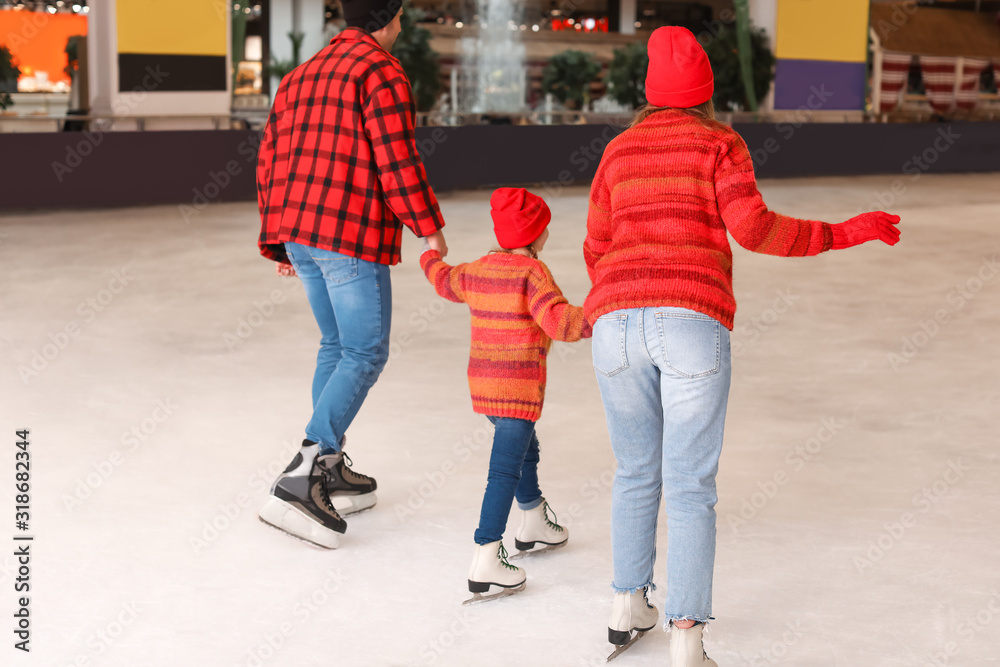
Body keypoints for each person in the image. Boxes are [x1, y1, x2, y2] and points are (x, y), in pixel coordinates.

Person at [584, 27, 901, 665]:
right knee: (691, 484)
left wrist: (627, 294)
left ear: (649, 92)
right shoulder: (719, 142)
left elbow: (596, 244)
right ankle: (687, 638)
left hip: (613, 324)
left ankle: (626, 605)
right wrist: (843, 233)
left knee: (634, 473)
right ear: (704, 91)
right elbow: (754, 230)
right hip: (691, 321)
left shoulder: (617, 151)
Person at [255, 0, 448, 549]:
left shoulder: (299, 76)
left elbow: (270, 160)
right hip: (346, 230)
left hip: (300, 230)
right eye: (403, 17)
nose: (403, 26)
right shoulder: (379, 71)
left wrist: (281, 240)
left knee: (336, 345)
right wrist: (428, 227)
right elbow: (397, 157)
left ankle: (331, 467)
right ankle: (305, 472)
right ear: (389, 18)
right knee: (365, 351)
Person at [419, 188, 592, 603]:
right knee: (503, 472)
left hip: (484, 386)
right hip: (517, 389)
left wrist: (429, 253)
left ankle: (532, 520)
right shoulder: (532, 274)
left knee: (524, 450)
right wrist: (604, 313)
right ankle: (486, 557)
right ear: (535, 234)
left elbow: (443, 280)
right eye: (544, 225)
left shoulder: (478, 269)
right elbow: (559, 322)